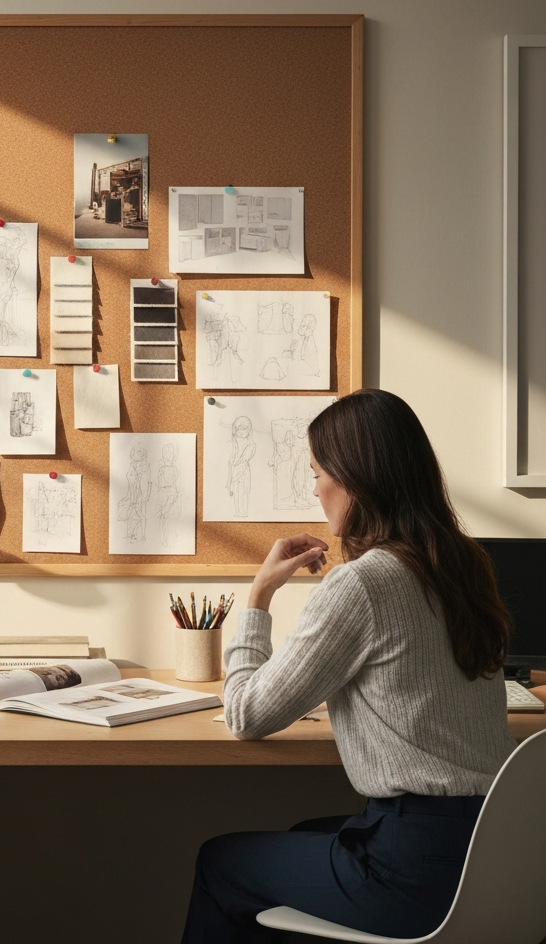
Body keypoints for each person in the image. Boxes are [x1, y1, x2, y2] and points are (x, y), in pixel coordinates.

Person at [181, 389, 514, 944]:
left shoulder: (364, 583)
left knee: (220, 864)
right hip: (490, 847)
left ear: (354, 478)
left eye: (317, 473)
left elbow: (244, 714)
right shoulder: (464, 566)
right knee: (305, 833)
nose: (315, 489)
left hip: (414, 868)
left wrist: (259, 594)